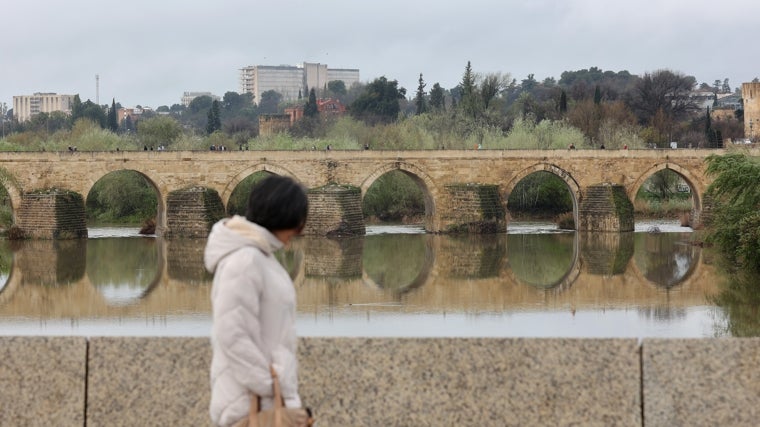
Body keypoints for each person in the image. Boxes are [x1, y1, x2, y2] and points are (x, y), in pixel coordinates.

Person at [204, 175, 310, 427]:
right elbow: (232, 334)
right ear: (284, 216)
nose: (300, 231)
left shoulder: (260, 257)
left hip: (265, 400)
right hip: (250, 404)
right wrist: (272, 383)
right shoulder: (245, 260)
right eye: (299, 222)